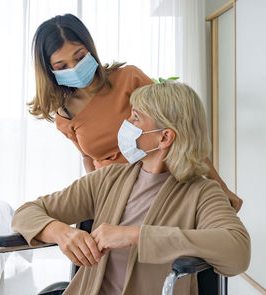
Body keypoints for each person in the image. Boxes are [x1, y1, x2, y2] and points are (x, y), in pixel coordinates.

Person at [13, 81, 250, 295]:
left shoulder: (202, 193)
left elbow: (237, 252)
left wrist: (135, 235)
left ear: (164, 137)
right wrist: (61, 233)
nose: (126, 124)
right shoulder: (108, 178)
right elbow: (25, 213)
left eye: (135, 118)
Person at [27, 13, 242, 212]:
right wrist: (99, 198)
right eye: (62, 65)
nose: (74, 67)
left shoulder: (129, 79)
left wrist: (221, 186)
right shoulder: (64, 116)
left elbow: (180, 131)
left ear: (90, 49)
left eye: (80, 56)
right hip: (114, 195)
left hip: (159, 186)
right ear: (49, 69)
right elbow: (88, 158)